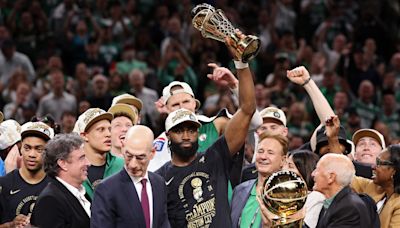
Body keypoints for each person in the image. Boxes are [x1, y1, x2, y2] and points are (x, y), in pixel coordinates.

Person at [156, 43, 256, 227]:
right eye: (179, 130)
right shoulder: (158, 179)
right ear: (168, 135)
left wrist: (241, 64)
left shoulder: (215, 157)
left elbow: (248, 109)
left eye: (191, 129)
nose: (186, 135)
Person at [91, 125, 170, 228]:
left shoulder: (159, 183)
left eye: (140, 158)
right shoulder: (106, 190)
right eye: (129, 156)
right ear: (123, 147)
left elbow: (163, 223)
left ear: (152, 153)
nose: (133, 164)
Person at [0, 121, 54, 228]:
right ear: (20, 149)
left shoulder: (56, 185)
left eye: (39, 149)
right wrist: (10, 225)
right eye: (27, 148)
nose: (32, 154)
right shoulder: (4, 184)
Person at [30, 133, 91, 228]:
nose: (88, 163)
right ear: (63, 164)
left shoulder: (81, 193)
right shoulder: (50, 201)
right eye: (81, 158)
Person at [231, 133, 288, 228]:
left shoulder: (289, 198)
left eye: (270, 153)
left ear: (283, 160)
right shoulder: (239, 190)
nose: (263, 157)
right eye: (260, 151)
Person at [312, 154, 376, 227]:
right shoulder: (333, 202)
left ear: (331, 177)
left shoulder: (349, 208)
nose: (312, 174)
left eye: (317, 170)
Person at [73, 108, 124, 199]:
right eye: (101, 129)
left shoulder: (122, 165)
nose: (108, 134)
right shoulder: (72, 169)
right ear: (84, 136)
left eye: (109, 129)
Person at [352, 145, 400, 228]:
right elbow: (343, 175)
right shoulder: (373, 187)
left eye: (378, 163)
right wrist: (333, 139)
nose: (373, 167)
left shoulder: (398, 205)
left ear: (393, 171)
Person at [283, 150, 323, 228]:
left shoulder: (315, 197)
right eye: (284, 165)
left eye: (290, 166)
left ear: (304, 170)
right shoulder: (280, 196)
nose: (284, 170)